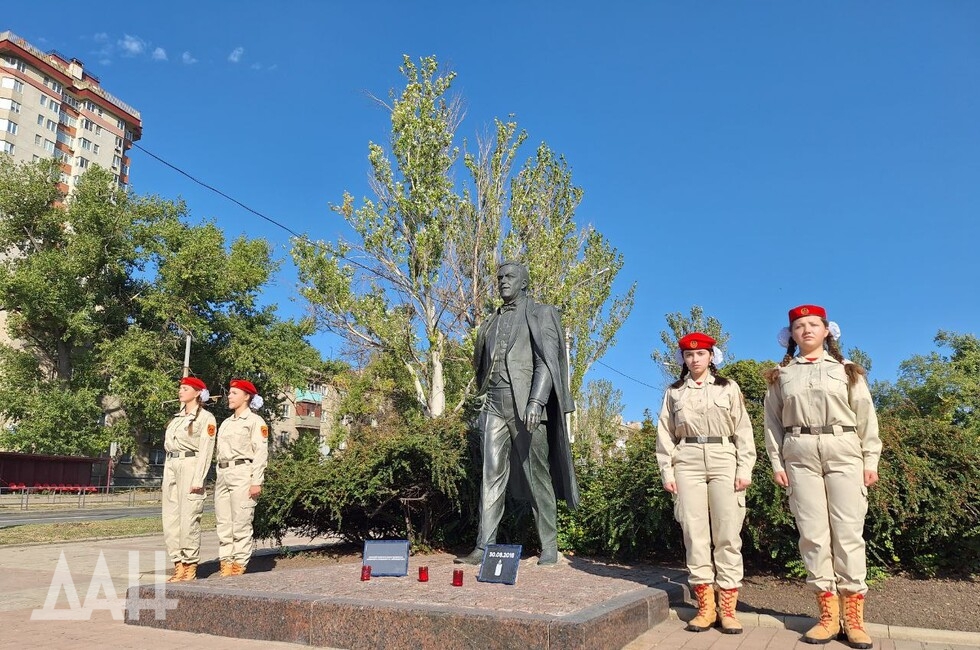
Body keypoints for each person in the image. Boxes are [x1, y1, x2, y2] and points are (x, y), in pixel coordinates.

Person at [764, 305, 881, 649]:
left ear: (827, 331)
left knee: (848, 533)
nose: (807, 330)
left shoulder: (848, 371)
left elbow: (865, 416)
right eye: (799, 326)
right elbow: (771, 423)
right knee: (813, 535)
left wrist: (870, 459)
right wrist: (776, 462)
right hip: (799, 454)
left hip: (844, 449)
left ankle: (855, 619)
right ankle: (828, 617)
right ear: (792, 335)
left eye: (813, 324)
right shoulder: (780, 376)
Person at [456, 261, 577, 567]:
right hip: (494, 403)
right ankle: (484, 546)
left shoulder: (542, 313)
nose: (502, 281)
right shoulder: (491, 322)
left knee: (537, 475)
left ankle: (549, 544)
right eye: (499, 278)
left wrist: (536, 402)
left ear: (524, 282)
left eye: (509, 277)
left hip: (526, 406)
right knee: (491, 475)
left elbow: (546, 362)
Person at [656, 332, 756, 634]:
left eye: (700, 354)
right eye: (689, 355)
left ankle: (728, 609)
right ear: (683, 360)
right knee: (694, 533)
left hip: (724, 456)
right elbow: (665, 434)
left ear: (711, 356)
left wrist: (744, 467)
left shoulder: (728, 388)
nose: (695, 359)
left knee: (727, 533)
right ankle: (705, 607)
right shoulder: (674, 392)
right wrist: (668, 472)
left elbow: (743, 430)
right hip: (687, 459)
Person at [162, 376, 217, 582]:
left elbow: (205, 450)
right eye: (180, 388)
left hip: (190, 465)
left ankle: (190, 565)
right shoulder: (176, 418)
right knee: (170, 519)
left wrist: (199, 477)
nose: (180, 391)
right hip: (171, 465)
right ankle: (178, 564)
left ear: (197, 393)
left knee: (188, 518)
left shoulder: (206, 418)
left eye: (185, 388)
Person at [214, 379, 269, 577]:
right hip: (223, 473)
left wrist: (256, 481)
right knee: (223, 523)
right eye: (229, 392)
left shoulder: (255, 422)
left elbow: (261, 453)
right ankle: (226, 562)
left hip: (242, 472)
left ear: (247, 396)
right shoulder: (227, 423)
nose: (229, 396)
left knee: (241, 522)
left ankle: (239, 564)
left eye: (234, 393)